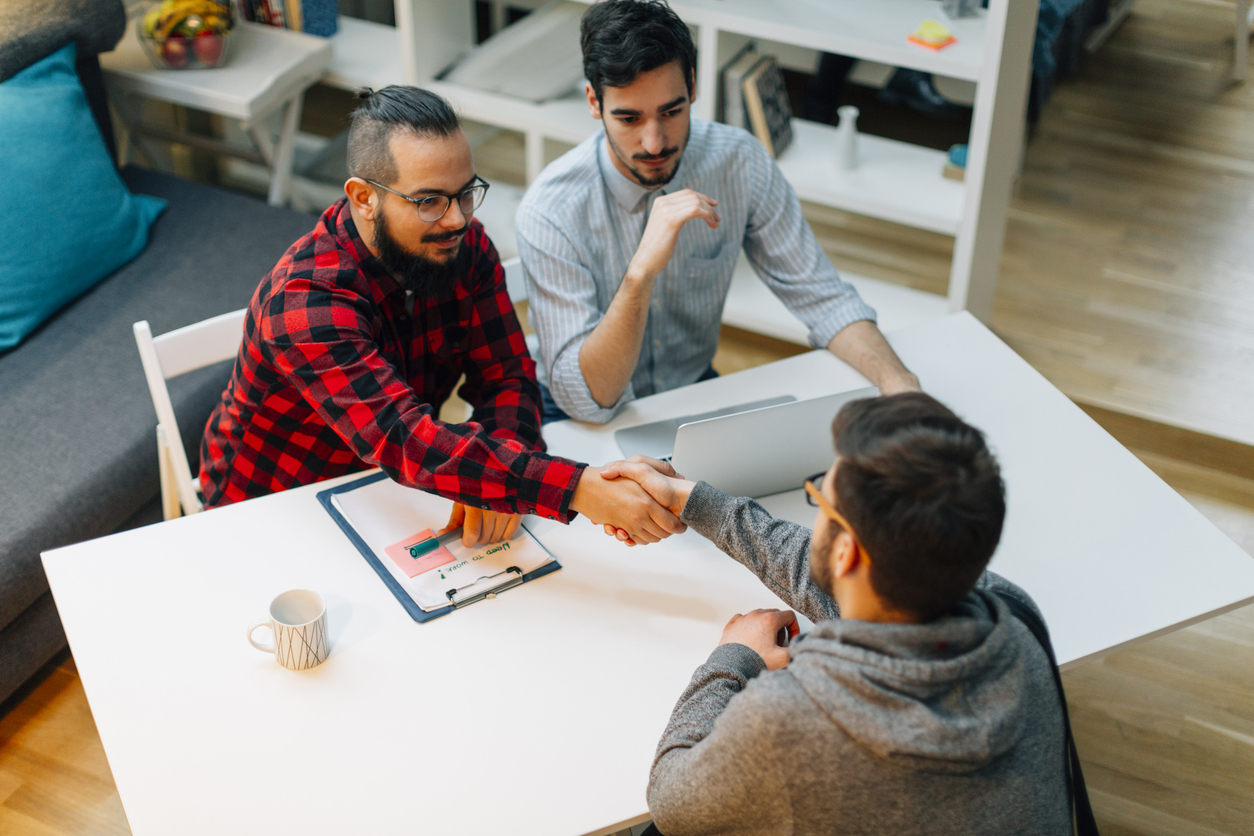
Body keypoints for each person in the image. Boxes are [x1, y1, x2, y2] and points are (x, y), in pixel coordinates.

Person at [199, 86, 685, 547]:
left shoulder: (465, 249)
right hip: (274, 511)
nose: (457, 218)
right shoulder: (304, 301)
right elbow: (406, 438)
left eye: (465, 192)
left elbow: (508, 378)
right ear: (365, 198)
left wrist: (500, 481)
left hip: (394, 493)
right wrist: (579, 488)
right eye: (429, 201)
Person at [598, 393, 1072, 835]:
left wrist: (735, 658)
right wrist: (691, 499)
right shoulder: (1014, 614)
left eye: (821, 494)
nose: (816, 503)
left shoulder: (790, 720)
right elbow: (834, 574)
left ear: (846, 552)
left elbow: (672, 801)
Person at [515, 0, 920, 424]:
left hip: (688, 392)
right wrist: (640, 275)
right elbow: (589, 401)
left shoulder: (740, 162)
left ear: (692, 85)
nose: (654, 143)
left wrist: (900, 386)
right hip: (574, 408)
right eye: (629, 118)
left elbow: (823, 299)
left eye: (671, 111)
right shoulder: (550, 210)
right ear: (594, 103)